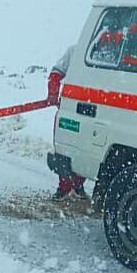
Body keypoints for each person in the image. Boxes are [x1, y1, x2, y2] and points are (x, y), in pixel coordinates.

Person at [47, 45, 88, 200]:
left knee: (85, 148)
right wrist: (53, 93)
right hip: (70, 108)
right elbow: (56, 72)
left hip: (92, 112)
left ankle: (78, 184)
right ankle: (64, 187)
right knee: (65, 147)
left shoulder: (112, 53)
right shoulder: (75, 51)